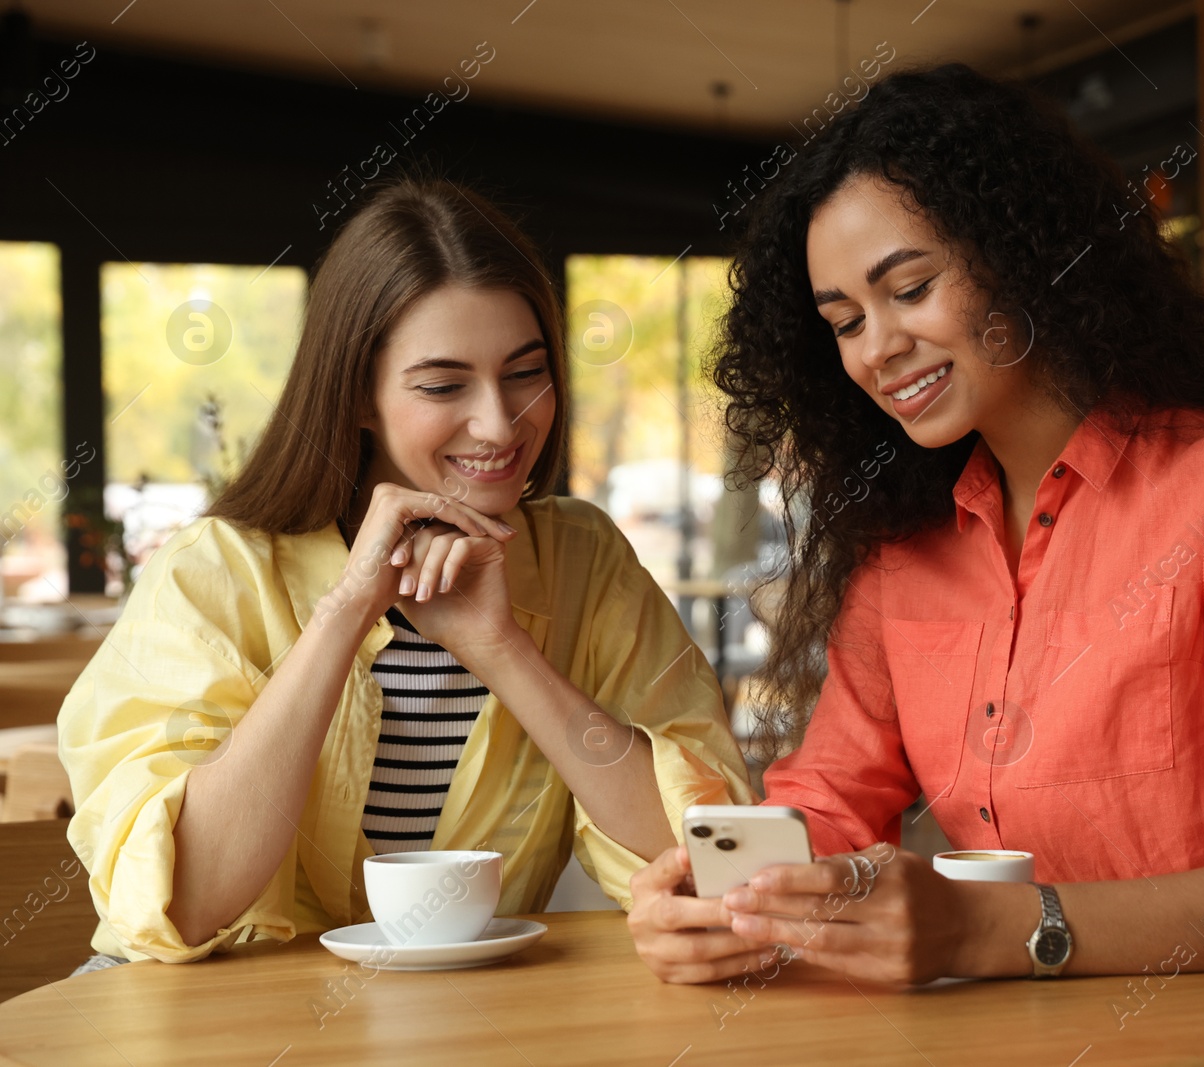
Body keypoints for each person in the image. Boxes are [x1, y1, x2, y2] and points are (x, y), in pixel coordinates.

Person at [626, 65, 1204, 1065]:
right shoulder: (903, 549)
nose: (878, 347)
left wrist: (993, 926)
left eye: (910, 287)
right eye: (844, 321)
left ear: (1021, 253)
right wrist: (726, 889)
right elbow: (829, 800)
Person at [58, 179, 752, 968]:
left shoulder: (584, 562)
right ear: (356, 394)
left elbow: (709, 861)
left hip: (467, 1021)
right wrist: (347, 610)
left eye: (525, 372)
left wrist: (501, 649)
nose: (499, 422)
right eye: (443, 385)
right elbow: (185, 901)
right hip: (209, 1019)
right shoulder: (214, 571)